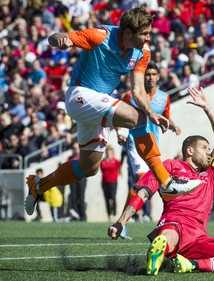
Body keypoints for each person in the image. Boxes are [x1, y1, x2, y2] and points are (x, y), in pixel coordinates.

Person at [24, 6, 200, 216]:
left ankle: (38, 186)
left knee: (88, 167)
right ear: (127, 32)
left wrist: (152, 113)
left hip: (97, 107)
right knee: (136, 117)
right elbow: (56, 38)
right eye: (144, 34)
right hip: (79, 95)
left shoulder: (143, 51)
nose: (147, 38)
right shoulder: (100, 36)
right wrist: (61, 39)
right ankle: (166, 181)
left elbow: (137, 90)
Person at [108, 87, 214, 275]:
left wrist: (208, 108)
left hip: (199, 237)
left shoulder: (211, 172)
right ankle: (160, 251)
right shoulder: (170, 166)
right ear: (190, 151)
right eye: (204, 148)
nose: (209, 152)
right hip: (174, 224)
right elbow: (144, 192)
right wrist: (121, 222)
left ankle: (191, 265)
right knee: (167, 236)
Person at [118, 62, 181, 224]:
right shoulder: (130, 97)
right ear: (142, 77)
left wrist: (174, 126)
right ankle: (124, 221)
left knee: (149, 182)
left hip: (153, 145)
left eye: (154, 74)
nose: (151, 77)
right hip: (135, 142)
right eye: (147, 74)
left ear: (158, 77)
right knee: (142, 178)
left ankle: (125, 220)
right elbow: (118, 115)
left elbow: (166, 117)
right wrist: (120, 131)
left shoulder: (164, 98)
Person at [100, 144, 121, 221]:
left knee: (113, 198)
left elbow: (118, 169)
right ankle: (109, 214)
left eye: (110, 151)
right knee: (107, 199)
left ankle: (114, 213)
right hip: (105, 182)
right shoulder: (103, 161)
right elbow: (102, 169)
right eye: (107, 151)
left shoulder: (116, 161)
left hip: (113, 182)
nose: (109, 153)